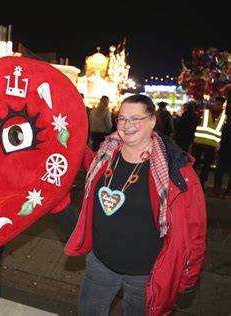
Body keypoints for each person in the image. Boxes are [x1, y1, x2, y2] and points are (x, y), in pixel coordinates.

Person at [65, 94, 206, 315]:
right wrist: (64, 138)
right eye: (122, 119)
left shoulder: (176, 169)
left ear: (152, 120)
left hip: (145, 273)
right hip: (100, 262)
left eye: (135, 118)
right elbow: (87, 160)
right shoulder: (106, 153)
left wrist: (188, 276)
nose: (127, 125)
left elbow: (194, 228)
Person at [191, 96, 227, 188]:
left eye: (221, 105)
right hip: (199, 143)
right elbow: (195, 124)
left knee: (206, 167)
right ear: (213, 103)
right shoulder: (204, 113)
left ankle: (201, 182)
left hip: (211, 145)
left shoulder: (223, 117)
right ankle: (192, 182)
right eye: (217, 104)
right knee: (194, 163)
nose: (219, 106)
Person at [212, 96, 231, 197]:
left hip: (224, 147)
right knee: (220, 169)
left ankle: (218, 189)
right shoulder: (224, 119)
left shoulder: (224, 119)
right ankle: (221, 189)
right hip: (224, 148)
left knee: (220, 169)